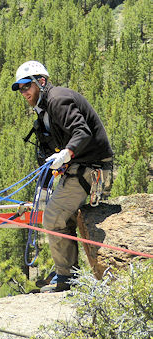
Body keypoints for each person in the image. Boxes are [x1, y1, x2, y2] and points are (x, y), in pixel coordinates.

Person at [12, 61, 113, 292]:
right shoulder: (44, 111)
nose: (24, 91)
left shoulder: (58, 100)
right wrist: (45, 186)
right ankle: (68, 271)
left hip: (92, 167)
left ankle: (66, 276)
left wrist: (68, 152)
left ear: (42, 82)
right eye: (19, 88)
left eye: (27, 85)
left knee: (54, 217)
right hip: (81, 165)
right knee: (59, 215)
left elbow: (81, 131)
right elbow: (47, 155)